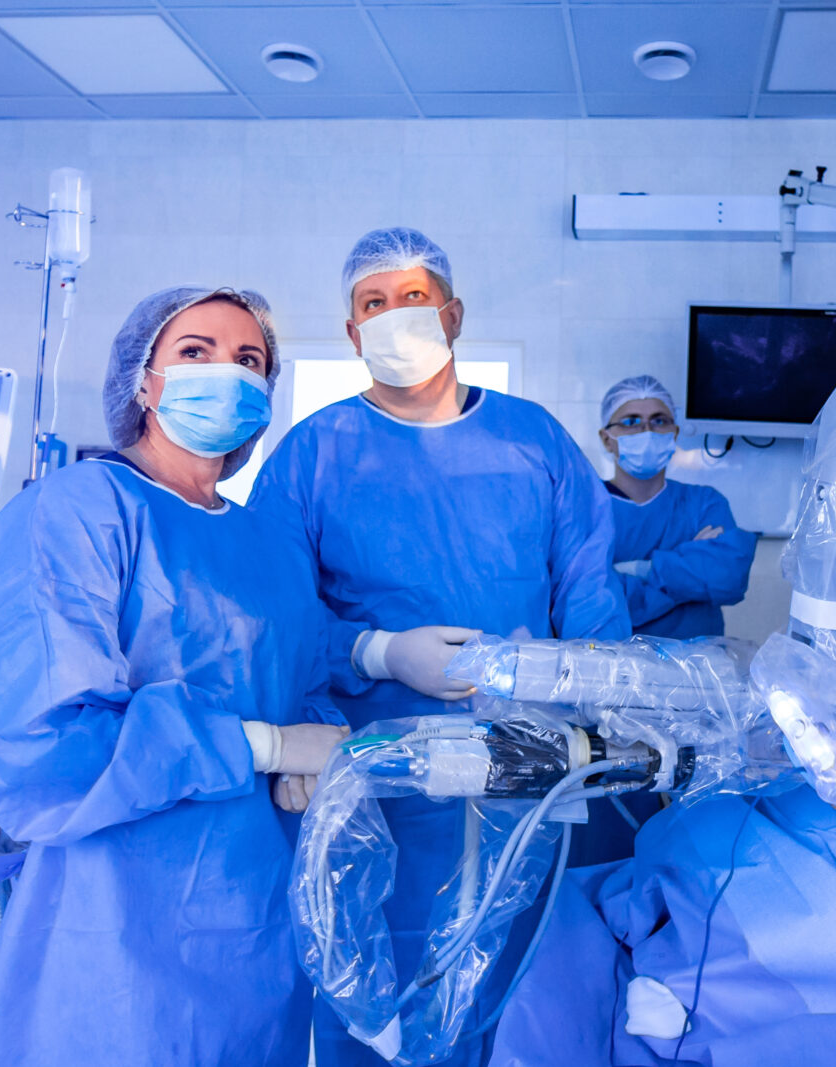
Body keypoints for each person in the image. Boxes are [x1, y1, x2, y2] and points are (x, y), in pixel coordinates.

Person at [0, 287, 348, 1066]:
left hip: (257, 925)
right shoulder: (80, 509)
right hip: (115, 921)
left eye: (249, 359)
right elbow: (39, 734)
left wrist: (312, 748)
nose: (226, 371)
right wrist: (264, 746)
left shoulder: (269, 546)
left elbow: (305, 675)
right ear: (143, 382)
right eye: (195, 351)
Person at [251, 227, 631, 1067]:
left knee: (517, 998)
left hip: (525, 776)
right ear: (352, 332)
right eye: (373, 303)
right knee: (375, 1002)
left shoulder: (536, 443)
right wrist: (378, 652)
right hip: (378, 787)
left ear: (453, 315)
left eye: (413, 297)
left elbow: (592, 601)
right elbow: (276, 626)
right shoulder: (311, 455)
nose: (394, 315)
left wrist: (584, 698)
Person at [596, 375, 757, 639]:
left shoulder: (704, 502)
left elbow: (727, 577)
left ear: (675, 434)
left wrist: (635, 570)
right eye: (631, 422)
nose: (647, 431)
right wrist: (688, 565)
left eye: (660, 421)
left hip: (697, 660)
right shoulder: (586, 507)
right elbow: (590, 596)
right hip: (611, 658)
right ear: (606, 439)